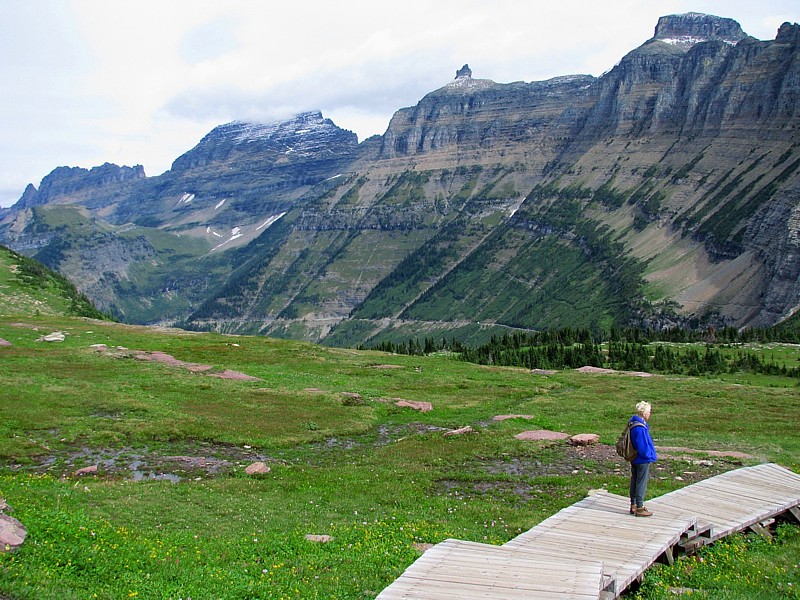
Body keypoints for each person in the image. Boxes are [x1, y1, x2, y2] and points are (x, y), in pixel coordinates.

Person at [629, 401, 657, 517]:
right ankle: (640, 507)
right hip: (641, 459)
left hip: (634, 457)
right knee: (641, 482)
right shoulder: (640, 427)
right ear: (644, 413)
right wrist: (650, 455)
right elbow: (642, 446)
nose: (650, 414)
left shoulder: (633, 423)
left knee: (635, 480)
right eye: (649, 412)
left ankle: (633, 504)